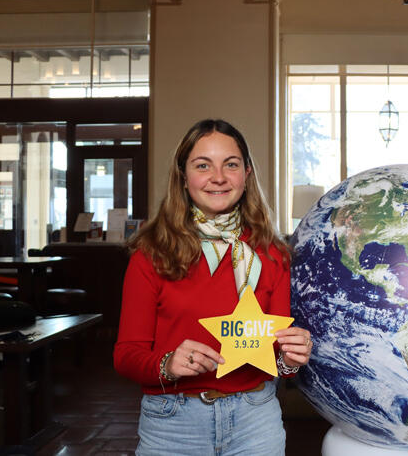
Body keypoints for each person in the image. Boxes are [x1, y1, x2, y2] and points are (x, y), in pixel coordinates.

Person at [114, 119, 313, 455]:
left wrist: (293, 358)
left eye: (230, 164)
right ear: (183, 175)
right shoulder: (151, 254)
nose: (218, 177)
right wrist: (166, 364)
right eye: (202, 165)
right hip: (173, 424)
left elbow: (279, 364)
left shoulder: (273, 254)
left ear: (246, 174)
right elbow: (125, 355)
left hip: (256, 422)